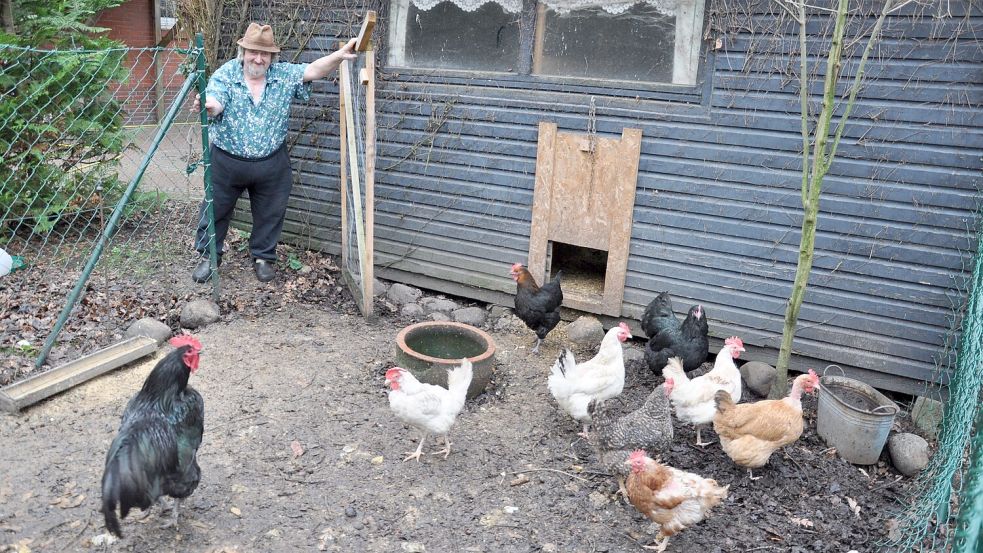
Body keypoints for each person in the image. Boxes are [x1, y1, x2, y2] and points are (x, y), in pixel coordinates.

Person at [191, 23, 358, 283]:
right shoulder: (226, 75)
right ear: (243, 51)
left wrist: (340, 55)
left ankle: (263, 257)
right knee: (215, 210)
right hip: (227, 161)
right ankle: (209, 256)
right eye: (253, 52)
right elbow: (215, 99)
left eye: (265, 54)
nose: (258, 59)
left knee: (271, 212)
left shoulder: (283, 75)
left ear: (272, 57)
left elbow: (314, 70)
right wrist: (209, 105)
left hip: (271, 163)